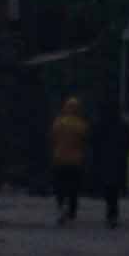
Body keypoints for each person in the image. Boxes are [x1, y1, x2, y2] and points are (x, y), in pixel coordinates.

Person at [89, 99, 129, 228]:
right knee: (114, 189)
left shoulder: (100, 124)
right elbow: (128, 142)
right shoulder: (123, 126)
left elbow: (94, 141)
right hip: (117, 160)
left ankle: (111, 213)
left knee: (109, 188)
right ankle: (112, 213)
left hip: (105, 160)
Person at [48, 94, 90, 222]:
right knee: (74, 187)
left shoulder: (58, 123)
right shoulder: (81, 125)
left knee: (60, 186)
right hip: (76, 161)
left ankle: (60, 206)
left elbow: (52, 139)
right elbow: (85, 142)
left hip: (59, 159)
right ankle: (72, 211)